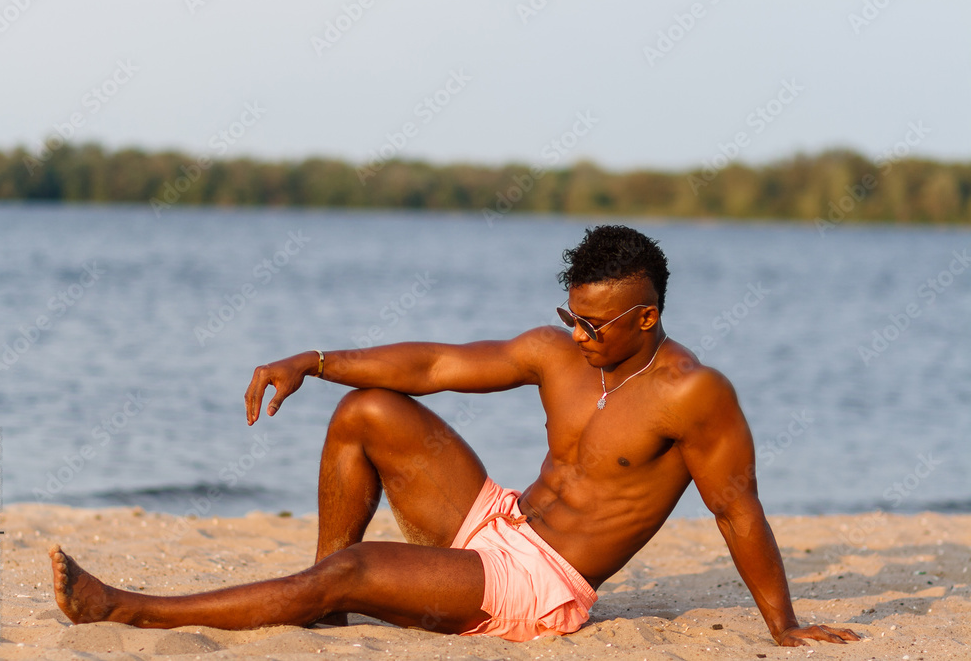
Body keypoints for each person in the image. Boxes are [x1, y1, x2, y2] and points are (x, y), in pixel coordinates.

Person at [50, 225, 859, 646]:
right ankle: (323, 605)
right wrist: (316, 359)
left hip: (539, 587)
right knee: (368, 409)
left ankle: (129, 609)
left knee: (358, 567)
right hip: (499, 523)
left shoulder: (694, 394)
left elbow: (737, 507)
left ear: (646, 316)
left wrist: (781, 624)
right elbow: (436, 362)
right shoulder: (557, 351)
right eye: (568, 315)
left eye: (594, 322)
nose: (576, 333)